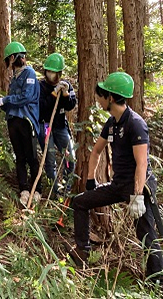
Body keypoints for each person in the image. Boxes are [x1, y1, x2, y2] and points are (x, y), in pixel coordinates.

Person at [68, 72, 163, 283]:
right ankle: (82, 252)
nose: (97, 99)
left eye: (100, 95)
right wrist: (91, 179)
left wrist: (138, 195)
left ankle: (157, 281)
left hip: (138, 187)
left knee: (147, 235)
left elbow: (142, 163)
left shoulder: (136, 124)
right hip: (118, 184)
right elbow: (96, 151)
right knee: (80, 202)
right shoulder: (112, 123)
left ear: (110, 97)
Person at [0, 41, 42, 208]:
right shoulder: (14, 78)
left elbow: (26, 97)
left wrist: (4, 100)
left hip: (27, 121)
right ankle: (23, 189)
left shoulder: (29, 74)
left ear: (13, 58)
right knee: (20, 157)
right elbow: (12, 101)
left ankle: (37, 190)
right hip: (13, 121)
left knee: (31, 157)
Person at [38, 53, 77, 199]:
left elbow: (71, 105)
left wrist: (66, 93)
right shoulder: (40, 86)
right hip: (46, 126)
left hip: (61, 126)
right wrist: (53, 94)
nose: (51, 74)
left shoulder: (66, 85)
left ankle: (67, 189)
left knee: (70, 157)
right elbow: (41, 107)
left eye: (54, 72)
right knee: (50, 159)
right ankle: (55, 191)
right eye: (49, 71)